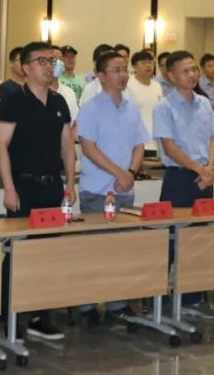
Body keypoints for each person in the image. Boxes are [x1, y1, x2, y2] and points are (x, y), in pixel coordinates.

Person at [0, 41, 75, 341]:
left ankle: (41, 316)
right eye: (41, 61)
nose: (48, 66)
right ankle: (11, 317)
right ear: (26, 67)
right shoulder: (13, 101)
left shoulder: (59, 101)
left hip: (51, 187)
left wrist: (69, 184)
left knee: (47, 254)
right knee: (18, 253)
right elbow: (1, 145)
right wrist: (9, 188)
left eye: (51, 61)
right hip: (23, 187)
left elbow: (67, 146)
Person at [75, 50, 148, 327]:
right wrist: (120, 173)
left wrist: (131, 173)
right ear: (101, 75)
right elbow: (89, 148)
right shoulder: (91, 108)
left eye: (125, 69)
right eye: (116, 70)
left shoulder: (132, 108)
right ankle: (88, 305)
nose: (123, 75)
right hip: (97, 190)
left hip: (124, 190)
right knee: (96, 251)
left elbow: (139, 144)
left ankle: (118, 305)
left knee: (122, 251)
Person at [153, 51, 214, 320]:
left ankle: (193, 299)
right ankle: (160, 299)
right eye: (185, 71)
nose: (193, 75)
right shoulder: (164, 107)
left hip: (204, 180)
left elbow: (213, 138)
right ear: (170, 76)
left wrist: (210, 168)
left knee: (199, 240)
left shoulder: (204, 103)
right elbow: (170, 147)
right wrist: (199, 169)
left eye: (194, 69)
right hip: (179, 179)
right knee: (170, 241)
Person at [126, 50, 163, 140]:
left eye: (150, 62)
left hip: (156, 137)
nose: (148, 65)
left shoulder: (157, 86)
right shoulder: (128, 86)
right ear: (134, 66)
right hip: (136, 138)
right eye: (143, 63)